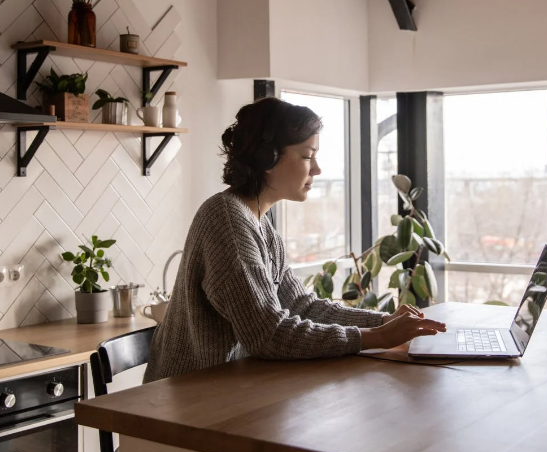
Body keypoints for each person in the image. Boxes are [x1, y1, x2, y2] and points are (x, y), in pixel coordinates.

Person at [143, 97, 446, 383]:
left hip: (228, 389)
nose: (317, 169)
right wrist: (376, 337)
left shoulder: (259, 225)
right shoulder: (227, 221)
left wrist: (383, 322)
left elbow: (301, 306)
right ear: (267, 158)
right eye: (307, 156)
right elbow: (268, 334)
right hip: (181, 405)